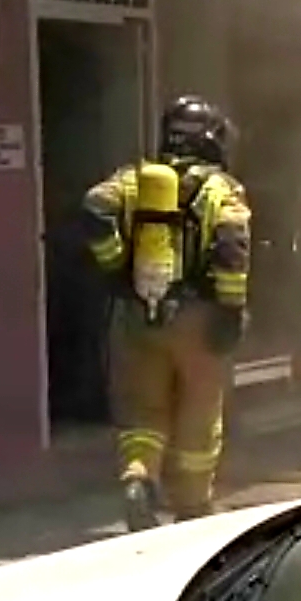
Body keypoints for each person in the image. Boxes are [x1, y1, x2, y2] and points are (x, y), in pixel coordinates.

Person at [83, 95, 251, 531]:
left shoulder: (135, 178)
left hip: (137, 310)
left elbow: (94, 209)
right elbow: (233, 247)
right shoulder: (221, 189)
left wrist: (116, 264)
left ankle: (139, 477)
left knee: (143, 410)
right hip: (198, 316)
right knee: (199, 408)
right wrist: (231, 309)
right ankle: (193, 505)